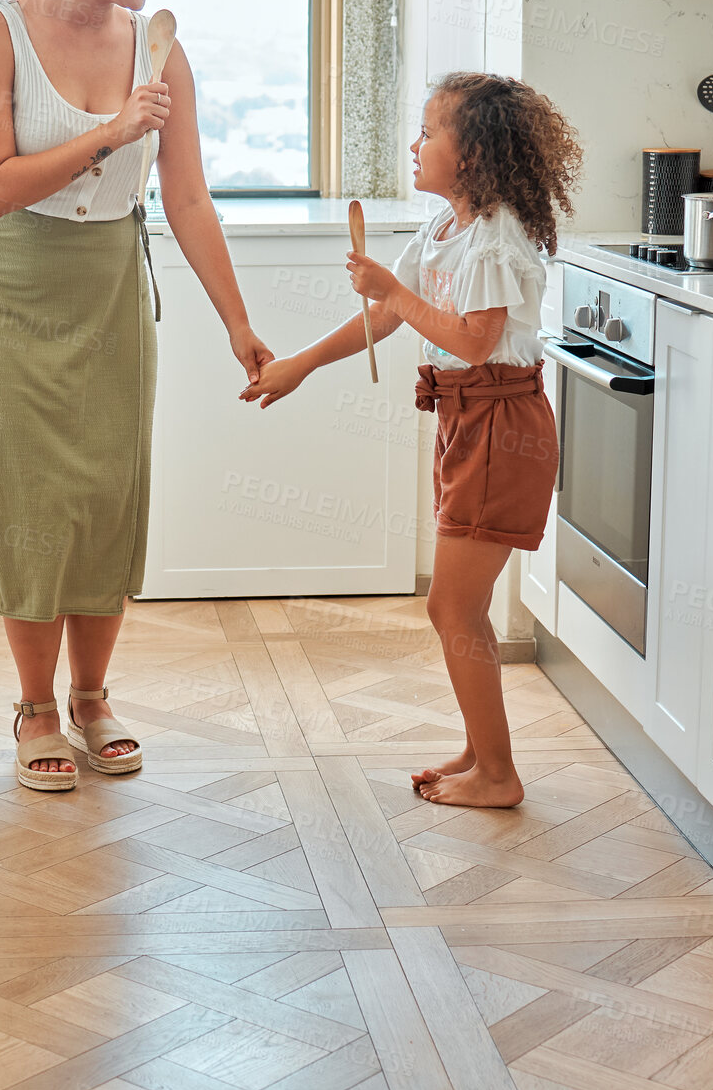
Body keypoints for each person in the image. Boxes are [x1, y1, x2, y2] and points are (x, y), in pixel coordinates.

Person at [0, 0, 274, 792]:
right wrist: (111, 131)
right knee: (26, 500)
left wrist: (236, 324)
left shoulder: (160, 50)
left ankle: (93, 699)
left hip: (108, 288)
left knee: (102, 492)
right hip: (9, 285)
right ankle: (35, 706)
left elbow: (189, 201)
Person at [241, 72, 582, 808]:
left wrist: (392, 293)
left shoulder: (494, 236)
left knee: (450, 607)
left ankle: (499, 775)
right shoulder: (445, 228)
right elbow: (387, 317)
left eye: (429, 131)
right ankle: (480, 751)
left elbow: (475, 339)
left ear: (472, 153)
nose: (414, 143)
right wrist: (299, 364)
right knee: (462, 607)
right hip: (467, 421)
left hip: (499, 424)